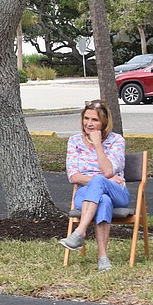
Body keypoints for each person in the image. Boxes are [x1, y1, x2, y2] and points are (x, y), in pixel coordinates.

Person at [59, 99, 130, 272]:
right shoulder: (74, 141)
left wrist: (98, 144)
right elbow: (73, 176)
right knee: (103, 199)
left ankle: (80, 231)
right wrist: (103, 179)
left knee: (100, 181)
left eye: (94, 120)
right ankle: (103, 257)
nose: (89, 123)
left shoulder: (116, 141)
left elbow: (106, 172)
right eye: (86, 118)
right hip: (85, 194)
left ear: (104, 122)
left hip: (117, 193)